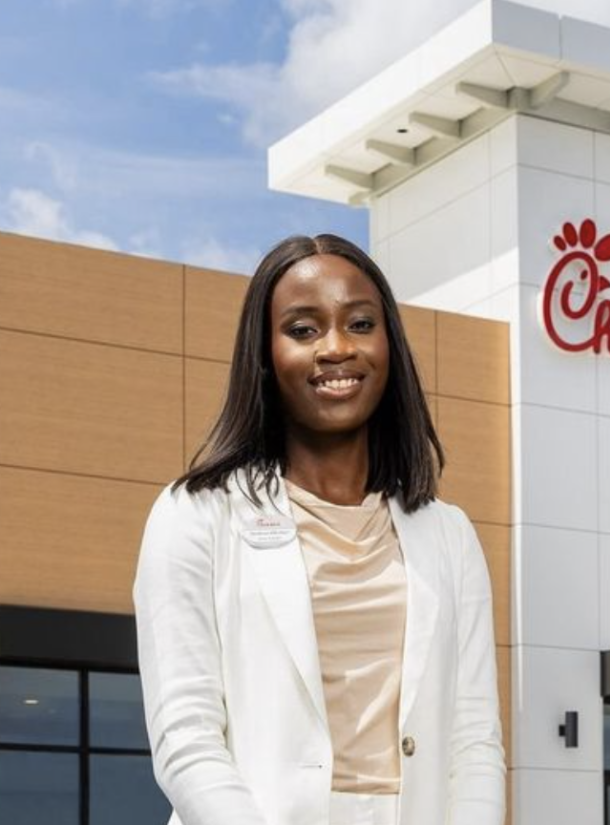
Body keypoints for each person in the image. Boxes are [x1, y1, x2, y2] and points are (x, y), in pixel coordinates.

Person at [133, 234, 506, 825]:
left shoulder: (449, 534)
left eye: (360, 324)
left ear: (389, 345)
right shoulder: (195, 515)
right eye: (303, 330)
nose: (336, 348)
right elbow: (186, 738)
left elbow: (475, 741)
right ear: (264, 353)